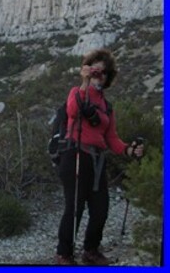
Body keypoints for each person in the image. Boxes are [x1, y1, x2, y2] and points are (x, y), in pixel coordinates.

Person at [54, 49, 144, 266]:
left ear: (108, 77)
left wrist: (129, 150)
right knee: (74, 207)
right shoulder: (77, 91)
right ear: (87, 70)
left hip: (97, 160)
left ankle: (91, 250)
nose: (99, 76)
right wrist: (84, 83)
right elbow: (73, 111)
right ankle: (64, 254)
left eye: (103, 73)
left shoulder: (107, 106)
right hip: (75, 154)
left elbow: (111, 138)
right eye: (95, 71)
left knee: (101, 209)